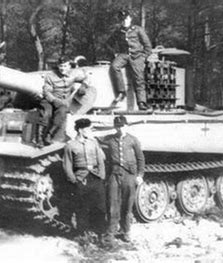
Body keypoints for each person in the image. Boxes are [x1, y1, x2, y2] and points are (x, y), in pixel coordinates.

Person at [100, 115, 145, 243]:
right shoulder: (110, 139)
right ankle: (111, 232)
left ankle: (126, 231)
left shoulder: (133, 140)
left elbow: (141, 158)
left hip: (129, 175)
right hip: (114, 174)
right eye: (118, 126)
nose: (120, 129)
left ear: (127, 126)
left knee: (127, 204)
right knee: (112, 203)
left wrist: (140, 175)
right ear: (115, 127)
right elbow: (96, 139)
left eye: (122, 126)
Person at [62, 118, 106, 237]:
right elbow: (67, 165)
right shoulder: (70, 145)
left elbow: (101, 160)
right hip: (81, 178)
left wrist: (101, 176)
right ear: (81, 130)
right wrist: (74, 180)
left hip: (95, 177)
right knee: (82, 208)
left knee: (100, 206)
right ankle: (83, 233)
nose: (89, 131)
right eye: (87, 129)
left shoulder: (93, 143)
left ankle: (100, 232)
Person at [37, 56, 90, 146]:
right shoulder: (50, 76)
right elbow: (47, 91)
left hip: (63, 102)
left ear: (69, 66)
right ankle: (39, 139)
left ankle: (49, 135)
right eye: (60, 66)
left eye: (65, 66)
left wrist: (84, 85)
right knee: (46, 114)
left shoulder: (73, 74)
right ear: (58, 66)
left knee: (62, 113)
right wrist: (54, 100)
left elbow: (87, 77)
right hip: (49, 100)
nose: (62, 69)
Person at [106, 9, 152, 111]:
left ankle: (141, 102)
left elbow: (148, 45)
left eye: (126, 18)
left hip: (137, 56)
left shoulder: (138, 30)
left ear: (130, 18)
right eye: (122, 19)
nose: (124, 21)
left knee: (139, 79)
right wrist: (114, 53)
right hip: (123, 55)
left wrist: (143, 57)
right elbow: (108, 43)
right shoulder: (118, 32)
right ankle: (121, 92)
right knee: (114, 66)